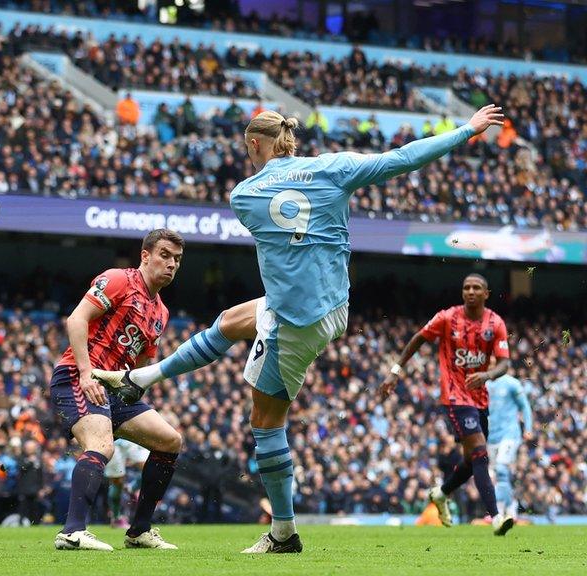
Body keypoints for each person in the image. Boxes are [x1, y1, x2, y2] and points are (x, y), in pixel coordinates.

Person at [94, 105, 506, 553]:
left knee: (266, 423)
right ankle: (141, 379)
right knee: (232, 320)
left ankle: (283, 534)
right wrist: (467, 129)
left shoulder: (244, 195)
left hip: (294, 323)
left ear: (254, 144)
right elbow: (403, 157)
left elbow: (275, 224)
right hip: (332, 306)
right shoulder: (332, 167)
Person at [52, 229, 185, 552]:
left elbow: (140, 365)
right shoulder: (118, 280)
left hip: (114, 388)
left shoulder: (161, 312)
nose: (171, 264)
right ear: (145, 255)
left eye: (177, 260)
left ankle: (139, 530)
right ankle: (72, 531)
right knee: (101, 445)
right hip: (77, 376)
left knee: (170, 440)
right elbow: (76, 319)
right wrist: (86, 373)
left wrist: (134, 389)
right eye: (164, 255)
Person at [380, 274, 514, 535]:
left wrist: (487, 375)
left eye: (477, 288)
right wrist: (395, 370)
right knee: (480, 452)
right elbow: (418, 338)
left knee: (470, 462)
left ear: (487, 293)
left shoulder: (495, 323)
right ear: (462, 292)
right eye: (466, 288)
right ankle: (497, 517)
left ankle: (441, 494)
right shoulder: (447, 318)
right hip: (454, 396)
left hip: (479, 398)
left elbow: (505, 363)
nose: (471, 292)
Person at [485, 371, 533, 518]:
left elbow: (524, 406)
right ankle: (510, 506)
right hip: (491, 435)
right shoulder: (485, 384)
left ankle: (500, 511)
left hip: (510, 433)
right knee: (496, 476)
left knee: (500, 468)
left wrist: (528, 428)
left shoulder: (512, 383)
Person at [104, 439, 148, 528]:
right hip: (113, 440)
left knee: (149, 468)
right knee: (117, 482)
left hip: (133, 437)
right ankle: (116, 518)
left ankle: (132, 488)